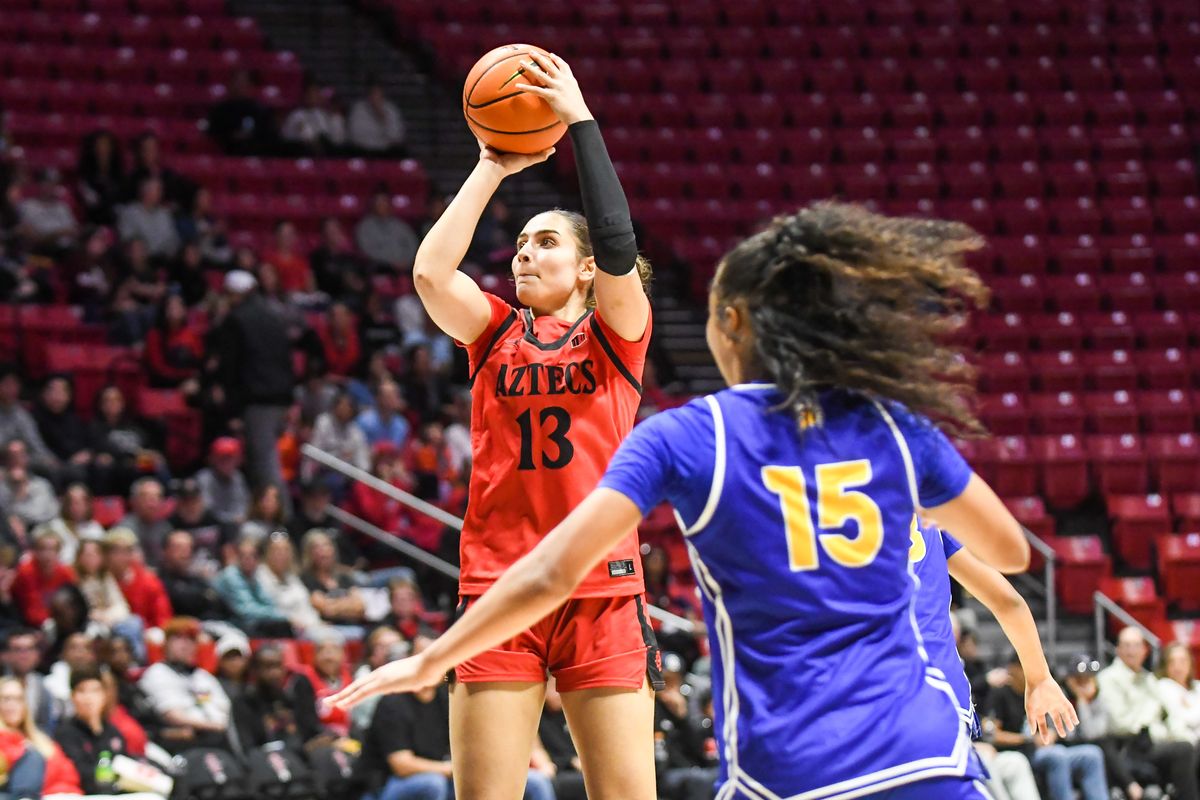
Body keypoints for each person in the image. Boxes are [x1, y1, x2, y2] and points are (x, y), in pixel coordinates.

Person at [332, 193, 1039, 800]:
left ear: (731, 327)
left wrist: (429, 660)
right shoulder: (892, 429)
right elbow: (1009, 552)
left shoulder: (693, 435)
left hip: (784, 755)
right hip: (919, 743)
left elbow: (551, 571)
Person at [344, 53, 663, 800]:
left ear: (586, 271)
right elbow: (430, 273)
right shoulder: (493, 331)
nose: (524, 251)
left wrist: (580, 120)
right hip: (498, 588)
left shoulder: (618, 334)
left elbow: (617, 239)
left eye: (546, 242)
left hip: (601, 590)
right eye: (519, 243)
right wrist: (491, 166)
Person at [356, 636, 554, 800]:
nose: (434, 662)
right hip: (388, 785)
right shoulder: (392, 703)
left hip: (446, 774)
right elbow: (402, 765)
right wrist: (451, 769)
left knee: (534, 781)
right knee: (432, 784)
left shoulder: (447, 696)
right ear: (411, 660)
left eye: (439, 656)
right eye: (425, 655)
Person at [212, 270, 295, 501]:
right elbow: (287, 359)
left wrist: (230, 403)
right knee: (268, 459)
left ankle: (281, 521)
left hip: (258, 399)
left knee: (265, 463)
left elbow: (230, 365)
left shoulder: (236, 319)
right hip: (280, 398)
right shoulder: (275, 314)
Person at [1099, 627, 1200, 799]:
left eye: (1136, 645)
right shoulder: (1108, 679)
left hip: (1154, 741)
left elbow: (1169, 715)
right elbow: (1120, 725)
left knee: (1190, 746)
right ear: (1118, 649)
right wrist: (1150, 713)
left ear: (1145, 650)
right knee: (1184, 749)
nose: (1132, 651)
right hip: (1129, 748)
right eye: (1127, 645)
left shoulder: (1149, 679)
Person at [137, 617, 231, 752]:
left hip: (217, 736)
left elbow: (225, 708)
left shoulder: (202, 676)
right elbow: (172, 715)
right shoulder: (157, 673)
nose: (186, 645)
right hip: (184, 743)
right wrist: (215, 726)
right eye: (179, 639)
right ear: (166, 643)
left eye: (191, 640)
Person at [1065, 654, 1149, 800]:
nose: (1085, 684)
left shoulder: (1100, 700)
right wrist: (1081, 699)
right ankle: (1130, 785)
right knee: (1101, 747)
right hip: (1068, 747)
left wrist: (1084, 701)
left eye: (1089, 678)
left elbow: (1095, 732)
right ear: (1070, 680)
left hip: (1094, 747)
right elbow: (1076, 734)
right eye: (1080, 679)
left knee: (1104, 746)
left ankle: (1125, 788)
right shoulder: (1062, 698)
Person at [0, 675, 83, 798]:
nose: (12, 704)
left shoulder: (41, 740)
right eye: (6, 699)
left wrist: (56, 794)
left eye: (18, 699)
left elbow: (68, 776)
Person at [213, 535, 293, 638]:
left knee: (282, 626)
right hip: (224, 621)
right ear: (237, 557)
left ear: (258, 559)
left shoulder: (253, 575)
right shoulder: (231, 575)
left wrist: (280, 615)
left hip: (240, 621)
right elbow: (246, 610)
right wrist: (282, 616)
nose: (247, 559)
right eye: (243, 555)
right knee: (274, 626)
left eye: (252, 555)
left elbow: (267, 600)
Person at [257, 531, 323, 638]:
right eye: (276, 550)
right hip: (279, 631)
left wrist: (317, 623)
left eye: (285, 550)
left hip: (306, 628)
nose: (281, 554)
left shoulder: (292, 578)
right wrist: (291, 620)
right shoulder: (259, 577)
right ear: (267, 553)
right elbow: (270, 609)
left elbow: (305, 606)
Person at [32, 377, 92, 488]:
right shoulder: (35, 419)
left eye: (62, 391)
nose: (57, 396)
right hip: (48, 463)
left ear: (69, 396)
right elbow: (35, 445)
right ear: (44, 394)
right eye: (52, 391)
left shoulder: (75, 419)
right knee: (54, 472)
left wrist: (86, 453)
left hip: (73, 463)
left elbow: (87, 445)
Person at [11, 528, 76, 627]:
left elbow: (73, 602)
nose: (47, 555)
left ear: (58, 553)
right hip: (24, 623)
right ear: (34, 552)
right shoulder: (26, 572)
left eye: (52, 549)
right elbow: (32, 612)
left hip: (57, 622)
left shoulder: (66, 572)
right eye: (43, 549)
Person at [206, 70, 278, 156]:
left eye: (243, 82)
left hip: (255, 158)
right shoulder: (219, 110)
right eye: (236, 81)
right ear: (229, 84)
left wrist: (251, 137)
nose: (239, 86)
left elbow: (270, 137)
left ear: (251, 86)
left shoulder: (261, 111)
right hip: (223, 157)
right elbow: (212, 136)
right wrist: (231, 136)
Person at [159, 529, 226, 620]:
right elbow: (184, 604)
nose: (185, 552)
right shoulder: (159, 580)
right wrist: (203, 597)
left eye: (189, 547)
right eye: (179, 547)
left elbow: (219, 604)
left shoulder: (197, 580)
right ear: (165, 551)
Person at [144, 292, 203, 390]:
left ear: (184, 311)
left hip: (189, 380)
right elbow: (158, 368)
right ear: (164, 311)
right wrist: (184, 377)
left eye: (178, 306)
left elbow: (199, 360)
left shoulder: (191, 334)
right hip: (163, 381)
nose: (174, 310)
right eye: (171, 307)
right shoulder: (155, 335)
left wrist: (192, 377)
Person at [1, 629, 57, 732]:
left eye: (29, 649)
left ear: (37, 654)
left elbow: (46, 728)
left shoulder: (42, 688)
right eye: (18, 649)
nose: (24, 655)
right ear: (6, 655)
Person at [0, 439, 60, 529]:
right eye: (11, 456)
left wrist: (20, 488)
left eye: (19, 455)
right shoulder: (2, 487)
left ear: (27, 458)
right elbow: (3, 516)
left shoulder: (41, 485)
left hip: (42, 530)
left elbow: (39, 514)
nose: (15, 460)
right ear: (4, 460)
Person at [118, 177, 181, 261]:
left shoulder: (165, 214)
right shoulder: (130, 212)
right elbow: (126, 238)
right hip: (139, 260)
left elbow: (174, 239)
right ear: (145, 192)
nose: (161, 193)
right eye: (158, 190)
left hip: (164, 260)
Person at [355, 189, 419, 270]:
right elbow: (367, 250)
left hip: (406, 266)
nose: (382, 205)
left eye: (384, 202)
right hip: (381, 267)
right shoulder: (364, 227)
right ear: (373, 205)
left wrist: (407, 261)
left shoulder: (400, 225)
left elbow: (412, 245)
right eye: (379, 203)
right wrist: (391, 262)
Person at [115, 478, 170, 565]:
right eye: (147, 497)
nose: (152, 504)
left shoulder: (165, 528)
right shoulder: (124, 529)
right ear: (134, 501)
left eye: (157, 497)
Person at [76, 129, 126, 225]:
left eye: (106, 145)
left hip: (117, 218)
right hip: (94, 219)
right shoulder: (86, 175)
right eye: (99, 145)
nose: (103, 148)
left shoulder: (118, 173)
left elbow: (123, 198)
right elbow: (91, 201)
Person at [281, 83, 346, 156]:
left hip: (319, 150)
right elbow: (307, 136)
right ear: (304, 96)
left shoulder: (321, 114)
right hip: (296, 151)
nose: (314, 97)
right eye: (311, 94)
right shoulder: (296, 115)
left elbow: (335, 139)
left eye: (316, 94)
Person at [347, 81, 406, 156]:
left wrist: (382, 118)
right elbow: (354, 135)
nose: (375, 97)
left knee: (400, 151)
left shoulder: (391, 109)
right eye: (373, 94)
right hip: (363, 150)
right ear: (368, 95)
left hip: (385, 151)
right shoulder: (358, 109)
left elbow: (396, 136)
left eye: (378, 94)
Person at [1158, 642, 1200, 741]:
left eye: (1182, 661)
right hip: (1184, 744)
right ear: (1165, 665)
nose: (1177, 667)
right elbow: (1183, 719)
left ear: (1190, 663)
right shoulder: (1164, 686)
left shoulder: (1198, 686)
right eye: (1172, 662)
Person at [356, 381, 410, 450]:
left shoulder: (402, 425)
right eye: (388, 396)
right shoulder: (364, 421)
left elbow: (399, 452)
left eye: (395, 396)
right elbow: (359, 450)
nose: (392, 399)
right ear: (378, 398)